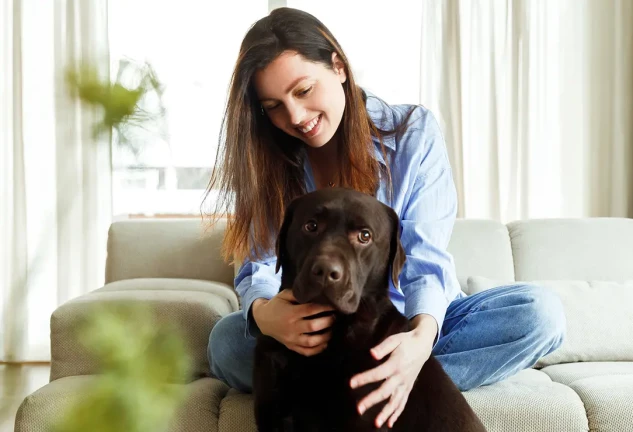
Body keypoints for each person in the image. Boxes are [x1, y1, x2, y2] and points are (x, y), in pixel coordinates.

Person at [204, 7, 566, 429]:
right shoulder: (267, 160)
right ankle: (374, 385)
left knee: (539, 314)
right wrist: (266, 315)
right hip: (310, 327)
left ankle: (390, 377)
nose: (296, 117)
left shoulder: (413, 133)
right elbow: (260, 265)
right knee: (226, 342)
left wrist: (418, 342)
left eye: (303, 90)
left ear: (338, 66)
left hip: (402, 322)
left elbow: (424, 261)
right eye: (274, 106)